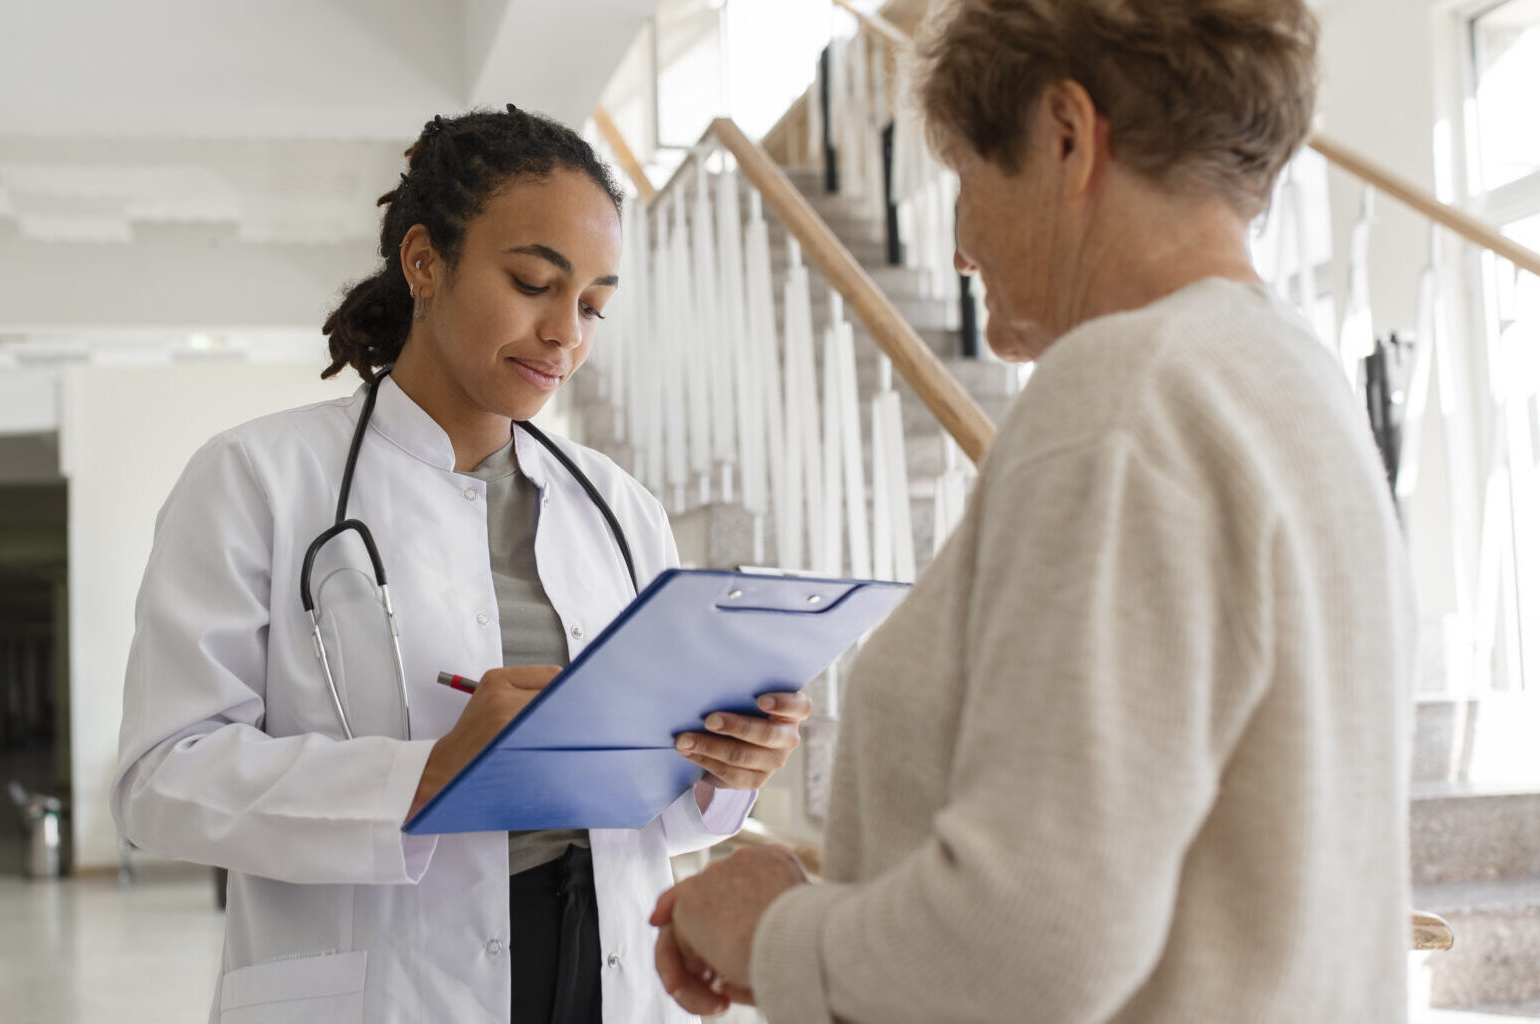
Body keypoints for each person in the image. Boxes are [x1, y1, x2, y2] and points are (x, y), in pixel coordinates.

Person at [650, 1, 1416, 1021]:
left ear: (1063, 136)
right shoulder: (1294, 382)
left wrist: (768, 930)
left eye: (967, 177)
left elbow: (1026, 944)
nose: (960, 245)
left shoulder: (1126, 393)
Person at [112, 105, 810, 1024]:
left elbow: (650, 810)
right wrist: (427, 774)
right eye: (533, 282)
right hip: (386, 985)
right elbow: (160, 782)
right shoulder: (259, 479)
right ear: (424, 263)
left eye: (594, 305)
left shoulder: (622, 510)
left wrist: (724, 767)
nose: (566, 333)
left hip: (606, 967)